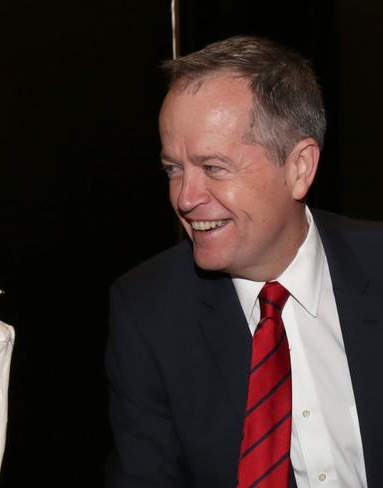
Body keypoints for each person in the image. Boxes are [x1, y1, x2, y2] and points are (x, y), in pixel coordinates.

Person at [105, 35, 382, 488]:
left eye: (213, 168)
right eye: (173, 169)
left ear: (299, 168)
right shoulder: (148, 312)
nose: (186, 198)